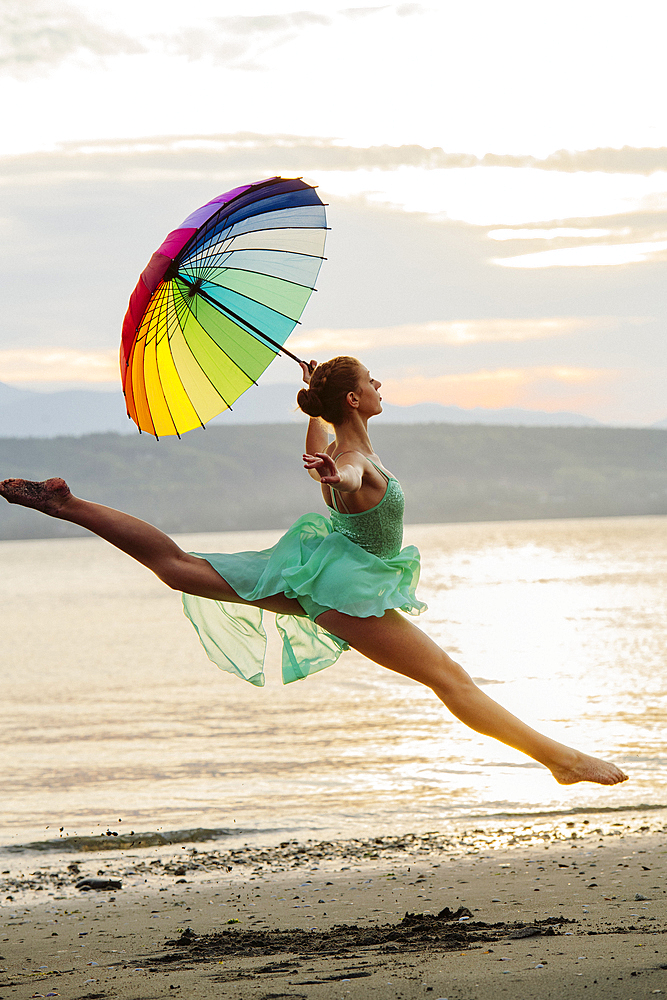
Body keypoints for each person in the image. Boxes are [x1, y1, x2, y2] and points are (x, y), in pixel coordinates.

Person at [0, 355, 627, 787]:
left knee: (181, 568)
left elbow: (325, 449)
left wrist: (319, 416)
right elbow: (348, 471)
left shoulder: (340, 442)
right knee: (451, 680)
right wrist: (338, 475)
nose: (383, 385)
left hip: (321, 567)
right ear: (355, 398)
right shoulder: (351, 456)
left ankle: (66, 503)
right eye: (372, 380)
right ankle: (559, 758)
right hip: (346, 586)